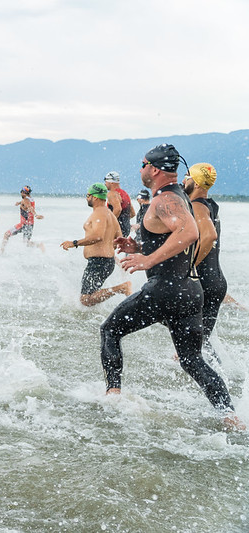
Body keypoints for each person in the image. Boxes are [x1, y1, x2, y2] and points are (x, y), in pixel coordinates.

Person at [100, 143, 243, 430]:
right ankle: (230, 416)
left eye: (142, 164)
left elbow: (189, 232)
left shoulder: (165, 199)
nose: (140, 170)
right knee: (192, 360)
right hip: (190, 291)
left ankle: (112, 398)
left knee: (110, 330)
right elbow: (175, 236)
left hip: (165, 290)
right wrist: (138, 245)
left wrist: (147, 259)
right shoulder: (179, 197)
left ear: (153, 169)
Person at [60, 183, 132, 306]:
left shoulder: (100, 213)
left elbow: (98, 236)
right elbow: (119, 238)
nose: (87, 198)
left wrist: (74, 243)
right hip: (104, 262)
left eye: (88, 195)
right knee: (89, 298)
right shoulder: (110, 215)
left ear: (95, 197)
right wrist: (109, 248)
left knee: (85, 299)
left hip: (99, 262)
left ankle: (122, 288)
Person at [183, 163, 226, 363]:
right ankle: (224, 373)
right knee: (200, 342)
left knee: (192, 342)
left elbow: (209, 236)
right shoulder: (211, 205)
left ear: (198, 183)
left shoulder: (198, 206)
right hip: (215, 281)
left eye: (188, 176)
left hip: (204, 283)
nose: (184, 180)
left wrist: (189, 266)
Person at [1, 185, 44, 253]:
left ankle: (1, 252)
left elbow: (30, 208)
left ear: (24, 193)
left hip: (23, 224)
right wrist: (19, 203)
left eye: (22, 192)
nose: (21, 193)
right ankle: (39, 245)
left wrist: (36, 215)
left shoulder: (25, 200)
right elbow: (27, 204)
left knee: (6, 234)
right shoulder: (30, 199)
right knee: (26, 243)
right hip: (30, 225)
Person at [104, 172, 135, 237]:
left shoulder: (112, 194)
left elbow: (118, 209)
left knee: (106, 246)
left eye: (106, 181)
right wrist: (124, 220)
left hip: (117, 229)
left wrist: (108, 223)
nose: (105, 184)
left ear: (111, 182)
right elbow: (133, 213)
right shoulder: (125, 194)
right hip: (126, 229)